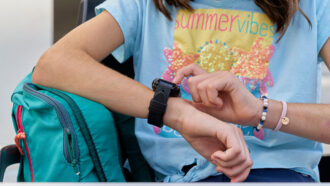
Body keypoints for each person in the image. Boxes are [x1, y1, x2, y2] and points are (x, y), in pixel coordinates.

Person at [32, 0, 330, 182]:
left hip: (281, 175)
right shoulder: (144, 4)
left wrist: (260, 111)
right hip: (176, 177)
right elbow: (54, 64)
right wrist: (177, 113)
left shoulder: (314, 5)